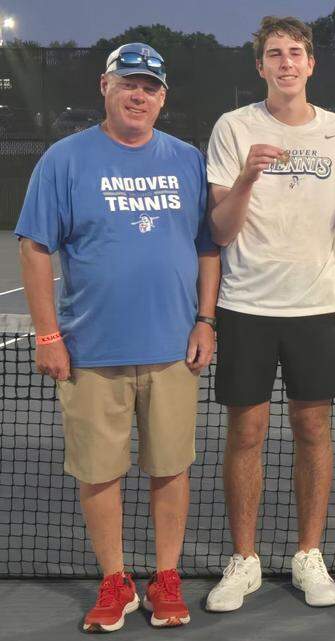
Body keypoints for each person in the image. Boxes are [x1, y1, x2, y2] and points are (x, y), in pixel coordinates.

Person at [16, 42, 217, 631]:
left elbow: (210, 246)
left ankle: (166, 577)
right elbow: (33, 246)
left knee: (171, 467)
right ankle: (114, 580)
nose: (138, 94)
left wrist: (206, 319)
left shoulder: (187, 158)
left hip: (173, 349)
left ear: (163, 98)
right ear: (105, 86)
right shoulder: (64, 159)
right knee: (99, 471)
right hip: (91, 350)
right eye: (128, 82)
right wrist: (47, 333)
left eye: (150, 87)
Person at [203, 16, 335, 610]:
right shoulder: (233, 128)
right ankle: (244, 560)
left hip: (317, 307)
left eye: (296, 53)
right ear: (261, 66)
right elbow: (218, 228)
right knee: (246, 432)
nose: (287, 63)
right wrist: (246, 176)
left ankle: (308, 555)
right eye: (275, 54)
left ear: (311, 63)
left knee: (313, 430)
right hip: (245, 306)